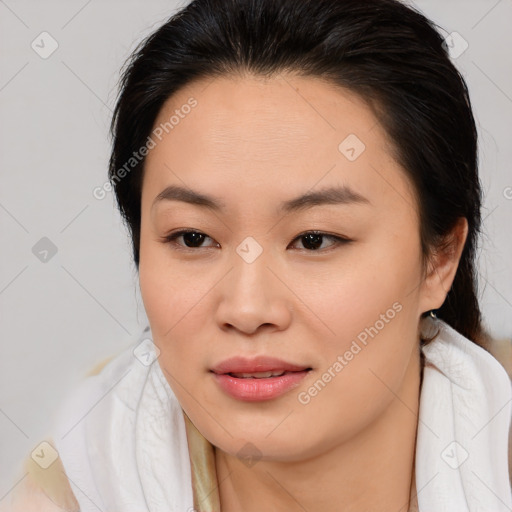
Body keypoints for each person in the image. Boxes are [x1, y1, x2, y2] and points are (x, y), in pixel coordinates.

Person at [4, 0, 511, 510]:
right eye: (193, 238)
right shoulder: (78, 483)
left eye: (314, 239)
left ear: (439, 259)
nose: (247, 310)